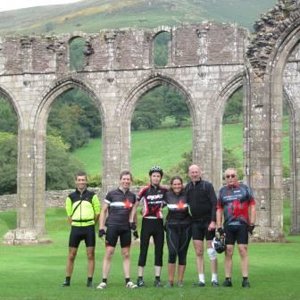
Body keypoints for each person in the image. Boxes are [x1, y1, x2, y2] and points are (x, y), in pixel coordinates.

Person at [96, 170, 138, 289]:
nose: (126, 181)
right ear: (120, 180)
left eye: (128, 179)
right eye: (124, 179)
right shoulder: (111, 194)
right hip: (112, 227)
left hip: (125, 228)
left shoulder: (132, 196)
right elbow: (103, 211)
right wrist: (101, 227)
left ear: (131, 181)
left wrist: (135, 229)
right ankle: (104, 281)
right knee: (109, 252)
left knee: (126, 254)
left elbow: (133, 214)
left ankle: (128, 281)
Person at [216, 168, 256, 288]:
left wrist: (252, 223)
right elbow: (219, 209)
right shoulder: (222, 191)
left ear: (236, 176)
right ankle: (228, 279)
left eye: (232, 176)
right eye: (227, 176)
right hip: (228, 225)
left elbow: (252, 206)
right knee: (228, 251)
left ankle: (245, 279)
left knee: (243, 250)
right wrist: (219, 226)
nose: (230, 178)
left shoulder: (245, 189)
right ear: (225, 178)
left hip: (242, 225)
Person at [62, 171, 100, 288]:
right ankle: (67, 280)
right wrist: (74, 224)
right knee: (71, 255)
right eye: (79, 180)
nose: (81, 182)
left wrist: (92, 223)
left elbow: (97, 212)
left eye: (83, 180)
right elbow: (69, 215)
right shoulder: (70, 197)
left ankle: (89, 280)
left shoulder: (92, 196)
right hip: (76, 228)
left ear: (86, 181)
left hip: (89, 227)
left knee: (90, 254)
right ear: (76, 182)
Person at [185, 164, 219, 287]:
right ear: (189, 174)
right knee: (199, 251)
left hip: (208, 222)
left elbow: (214, 204)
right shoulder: (187, 188)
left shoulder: (207, 186)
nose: (194, 174)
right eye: (192, 172)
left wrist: (213, 221)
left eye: (196, 172)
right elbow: (184, 204)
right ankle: (201, 280)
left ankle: (214, 279)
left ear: (200, 173)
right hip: (195, 223)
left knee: (211, 251)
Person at [135, 166, 168, 288]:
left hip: (159, 223)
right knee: (143, 250)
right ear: (150, 177)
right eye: (154, 175)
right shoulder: (144, 190)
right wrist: (133, 222)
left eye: (158, 176)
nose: (156, 178)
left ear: (160, 178)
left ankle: (157, 279)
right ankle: (140, 278)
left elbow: (170, 202)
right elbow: (135, 205)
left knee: (159, 251)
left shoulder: (165, 191)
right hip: (147, 222)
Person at [164, 176, 192, 288]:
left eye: (179, 184)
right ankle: (170, 281)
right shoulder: (167, 195)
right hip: (171, 227)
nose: (177, 186)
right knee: (172, 252)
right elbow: (155, 205)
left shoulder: (187, 195)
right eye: (174, 184)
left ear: (182, 184)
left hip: (186, 227)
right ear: (171, 185)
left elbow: (197, 205)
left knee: (182, 254)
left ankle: (180, 281)